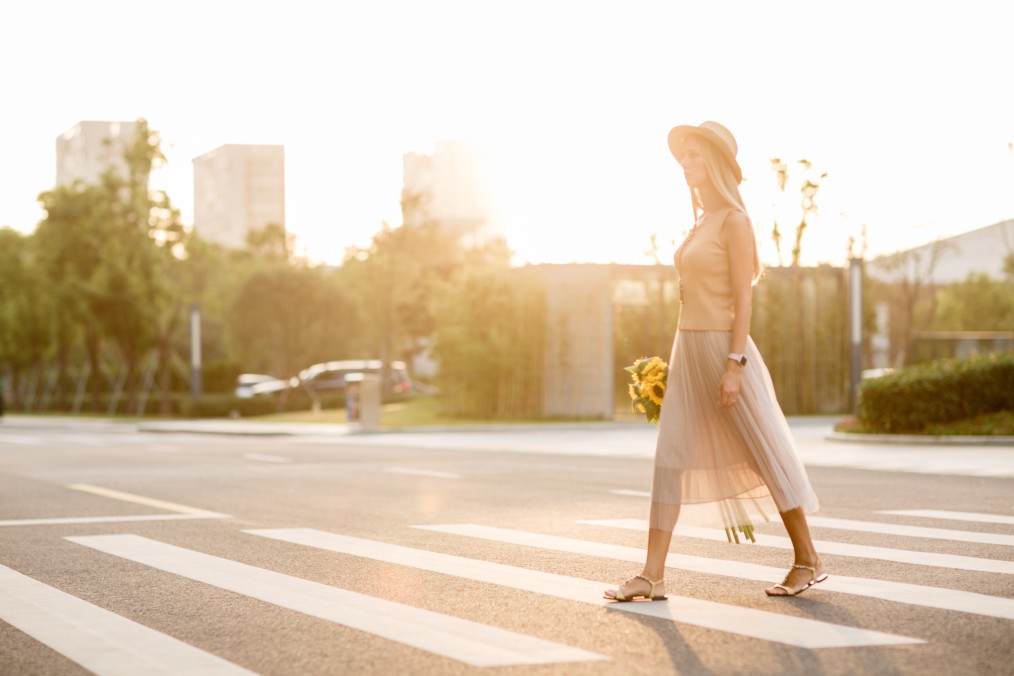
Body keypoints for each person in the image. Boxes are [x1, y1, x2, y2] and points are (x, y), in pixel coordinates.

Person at [605, 121, 826, 601]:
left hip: (727, 350)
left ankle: (807, 559)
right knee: (669, 460)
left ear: (718, 164)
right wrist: (670, 367)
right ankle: (652, 575)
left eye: (694, 156)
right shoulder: (699, 224)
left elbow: (743, 304)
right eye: (683, 156)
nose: (685, 164)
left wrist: (734, 364)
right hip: (687, 350)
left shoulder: (734, 222)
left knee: (766, 454)